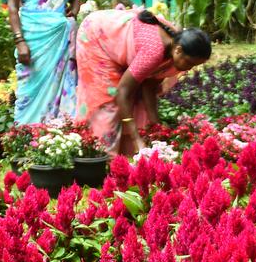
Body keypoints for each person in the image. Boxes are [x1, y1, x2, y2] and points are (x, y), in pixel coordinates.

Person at [75, 9, 211, 156]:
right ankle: (100, 159)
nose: (189, 68)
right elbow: (123, 91)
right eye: (189, 63)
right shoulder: (153, 51)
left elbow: (149, 86)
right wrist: (136, 138)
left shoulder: (174, 46)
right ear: (178, 50)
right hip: (96, 36)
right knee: (109, 102)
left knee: (138, 102)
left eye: (194, 66)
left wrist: (157, 129)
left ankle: (129, 157)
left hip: (120, 43)